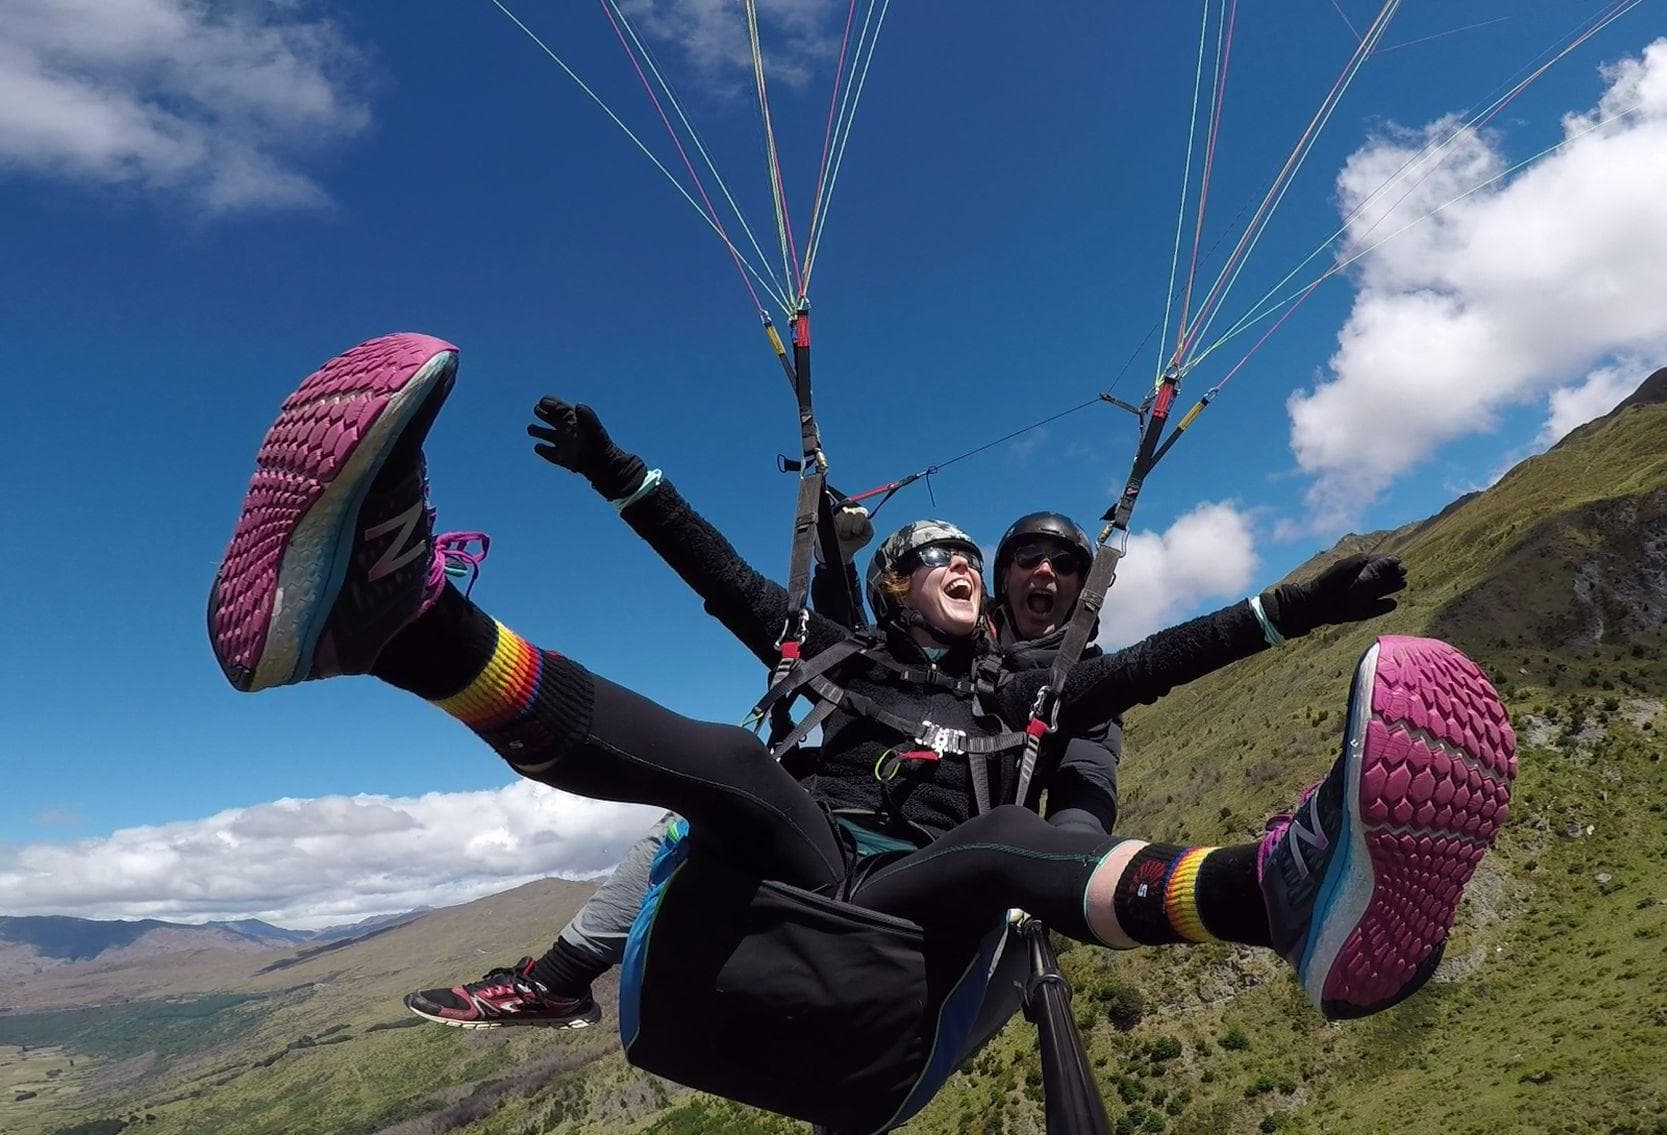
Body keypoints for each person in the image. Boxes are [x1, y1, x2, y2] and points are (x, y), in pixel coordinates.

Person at [208, 334, 1513, 1129]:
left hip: (907, 948)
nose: (958, 565)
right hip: (767, 900)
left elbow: (1149, 674)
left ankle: (1290, 895)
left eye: (967, 560)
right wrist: (623, 471)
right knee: (735, 768)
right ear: (891, 590)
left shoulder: (1034, 700)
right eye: (931, 559)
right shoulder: (833, 659)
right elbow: (719, 573)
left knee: (1002, 845)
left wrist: (1276, 613)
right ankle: (395, 618)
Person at [403, 505, 1120, 1030]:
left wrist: (1058, 864)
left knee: (995, 843)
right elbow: (854, 649)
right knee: (704, 796)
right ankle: (428, 634)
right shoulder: (919, 657)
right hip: (821, 844)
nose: (1046, 573)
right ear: (1003, 584)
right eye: (1028, 558)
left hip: (938, 878)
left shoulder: (1055, 685)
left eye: (1064, 567)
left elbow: (1086, 775)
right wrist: (628, 480)